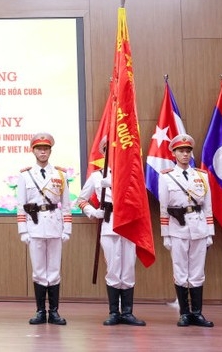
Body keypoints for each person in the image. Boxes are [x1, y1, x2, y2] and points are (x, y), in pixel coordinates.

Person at [77, 136, 145, 326]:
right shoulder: (97, 176)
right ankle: (114, 312)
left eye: (116, 151)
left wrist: (116, 182)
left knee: (129, 267)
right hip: (109, 224)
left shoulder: (133, 174)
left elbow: (140, 198)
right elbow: (81, 200)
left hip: (129, 224)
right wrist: (94, 212)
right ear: (104, 153)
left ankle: (128, 312)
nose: (112, 154)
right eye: (108, 150)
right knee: (114, 268)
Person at [159, 134, 215, 327]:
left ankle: (197, 313)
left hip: (199, 226)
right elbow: (164, 208)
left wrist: (210, 232)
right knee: (181, 271)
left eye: (188, 151)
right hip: (178, 229)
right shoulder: (166, 177)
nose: (185, 154)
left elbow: (208, 206)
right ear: (173, 153)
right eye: (181, 151)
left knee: (198, 272)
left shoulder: (201, 175)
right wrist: (165, 234)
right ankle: (184, 313)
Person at [16, 133, 72, 326]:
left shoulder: (60, 174)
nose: (42, 151)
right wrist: (23, 230)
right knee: (39, 271)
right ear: (33, 151)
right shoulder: (25, 175)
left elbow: (66, 205)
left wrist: (67, 229)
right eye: (39, 148)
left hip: (55, 226)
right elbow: (20, 205)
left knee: (54, 270)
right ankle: (40, 311)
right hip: (35, 226)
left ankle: (54, 312)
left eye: (46, 148)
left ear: (50, 151)